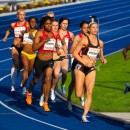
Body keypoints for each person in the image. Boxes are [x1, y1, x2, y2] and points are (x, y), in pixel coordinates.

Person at [73, 19, 107, 122]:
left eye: (96, 28)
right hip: (81, 67)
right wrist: (84, 63)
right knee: (78, 94)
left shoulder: (100, 43)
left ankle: (84, 115)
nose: (95, 29)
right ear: (89, 29)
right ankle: (79, 85)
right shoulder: (84, 40)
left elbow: (101, 56)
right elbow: (74, 53)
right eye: (93, 27)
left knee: (90, 92)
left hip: (91, 69)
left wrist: (103, 59)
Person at [26, 16, 56, 112]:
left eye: (50, 23)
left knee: (48, 79)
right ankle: (29, 92)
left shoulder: (53, 34)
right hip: (40, 61)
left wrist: (57, 49)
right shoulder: (40, 33)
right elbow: (34, 48)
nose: (49, 25)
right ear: (43, 24)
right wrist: (44, 40)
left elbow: (54, 44)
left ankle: (46, 103)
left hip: (50, 60)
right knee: (35, 80)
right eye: (47, 24)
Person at [2, 9, 29, 92]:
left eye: (23, 15)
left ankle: (22, 81)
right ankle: (13, 84)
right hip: (15, 46)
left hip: (24, 47)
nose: (21, 16)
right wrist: (5, 37)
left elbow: (31, 33)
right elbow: (9, 30)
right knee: (16, 63)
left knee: (23, 66)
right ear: (17, 15)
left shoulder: (27, 24)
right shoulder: (13, 24)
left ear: (25, 16)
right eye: (20, 15)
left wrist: (25, 33)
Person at [67, 20, 89, 110]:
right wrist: (81, 47)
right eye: (84, 28)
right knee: (74, 81)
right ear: (81, 29)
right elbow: (72, 51)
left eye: (88, 28)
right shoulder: (77, 37)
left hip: (86, 63)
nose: (86, 30)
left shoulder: (90, 37)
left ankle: (83, 98)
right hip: (77, 62)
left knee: (85, 82)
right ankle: (69, 99)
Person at [50, 20, 67, 101]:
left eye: (57, 25)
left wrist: (65, 53)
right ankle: (43, 95)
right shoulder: (47, 35)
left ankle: (52, 89)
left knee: (56, 75)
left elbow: (64, 44)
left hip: (57, 58)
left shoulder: (60, 35)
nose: (55, 27)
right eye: (53, 25)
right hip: (48, 58)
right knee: (46, 78)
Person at [20, 16, 38, 94]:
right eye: (31, 22)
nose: (32, 23)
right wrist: (20, 44)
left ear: (36, 23)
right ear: (28, 23)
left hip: (33, 54)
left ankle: (24, 82)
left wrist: (32, 36)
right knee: (26, 68)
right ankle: (24, 87)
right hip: (24, 53)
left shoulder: (38, 32)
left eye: (34, 22)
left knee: (29, 71)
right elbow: (20, 43)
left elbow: (38, 43)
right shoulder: (24, 32)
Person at [58, 17, 74, 94]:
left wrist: (72, 52)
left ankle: (63, 84)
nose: (65, 25)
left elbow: (75, 44)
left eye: (66, 24)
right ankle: (51, 89)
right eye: (63, 23)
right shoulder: (55, 33)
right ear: (60, 24)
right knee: (55, 74)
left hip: (65, 56)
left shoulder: (70, 34)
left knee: (64, 73)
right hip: (55, 55)